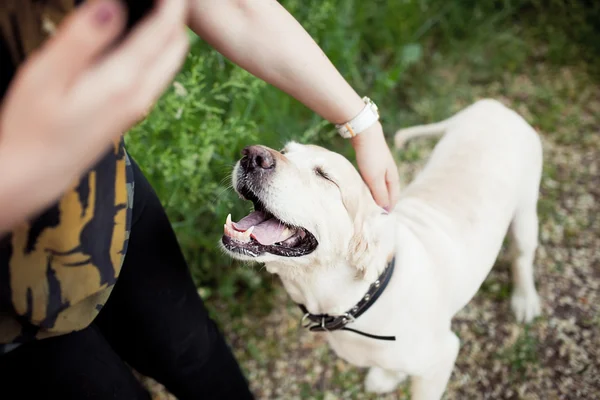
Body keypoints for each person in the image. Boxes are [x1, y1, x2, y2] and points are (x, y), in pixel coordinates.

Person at [0, 0, 400, 398]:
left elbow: (231, 5)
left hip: (107, 201)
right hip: (9, 306)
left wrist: (360, 122)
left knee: (193, 351)